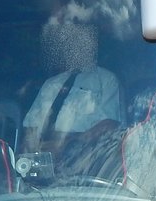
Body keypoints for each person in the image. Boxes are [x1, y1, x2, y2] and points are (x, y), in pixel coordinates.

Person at [20, 20, 122, 179]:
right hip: (41, 162)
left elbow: (110, 125)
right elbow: (31, 126)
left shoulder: (106, 80)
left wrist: (67, 144)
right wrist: (31, 151)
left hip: (83, 162)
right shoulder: (51, 84)